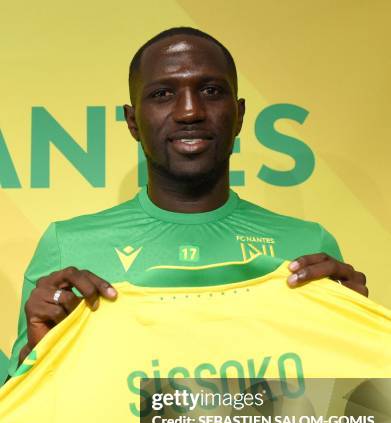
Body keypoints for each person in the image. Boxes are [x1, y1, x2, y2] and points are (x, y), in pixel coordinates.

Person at [7, 26, 368, 377]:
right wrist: (33, 354)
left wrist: (359, 342)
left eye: (210, 90)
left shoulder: (309, 247)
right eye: (163, 94)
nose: (190, 111)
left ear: (239, 114)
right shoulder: (67, 246)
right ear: (132, 121)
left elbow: (347, 419)